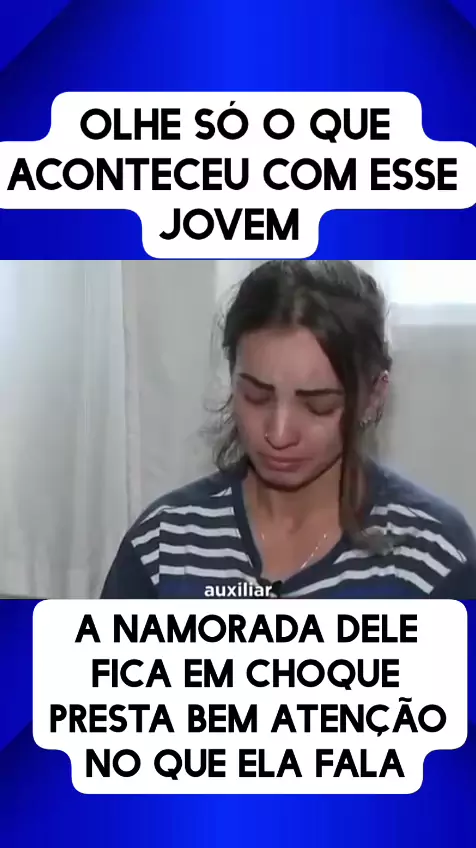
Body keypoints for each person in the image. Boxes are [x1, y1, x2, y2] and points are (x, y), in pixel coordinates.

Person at [101, 260, 476, 600]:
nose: (278, 435)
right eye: (256, 396)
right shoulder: (165, 547)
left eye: (318, 405)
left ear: (373, 396)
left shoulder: (433, 559)